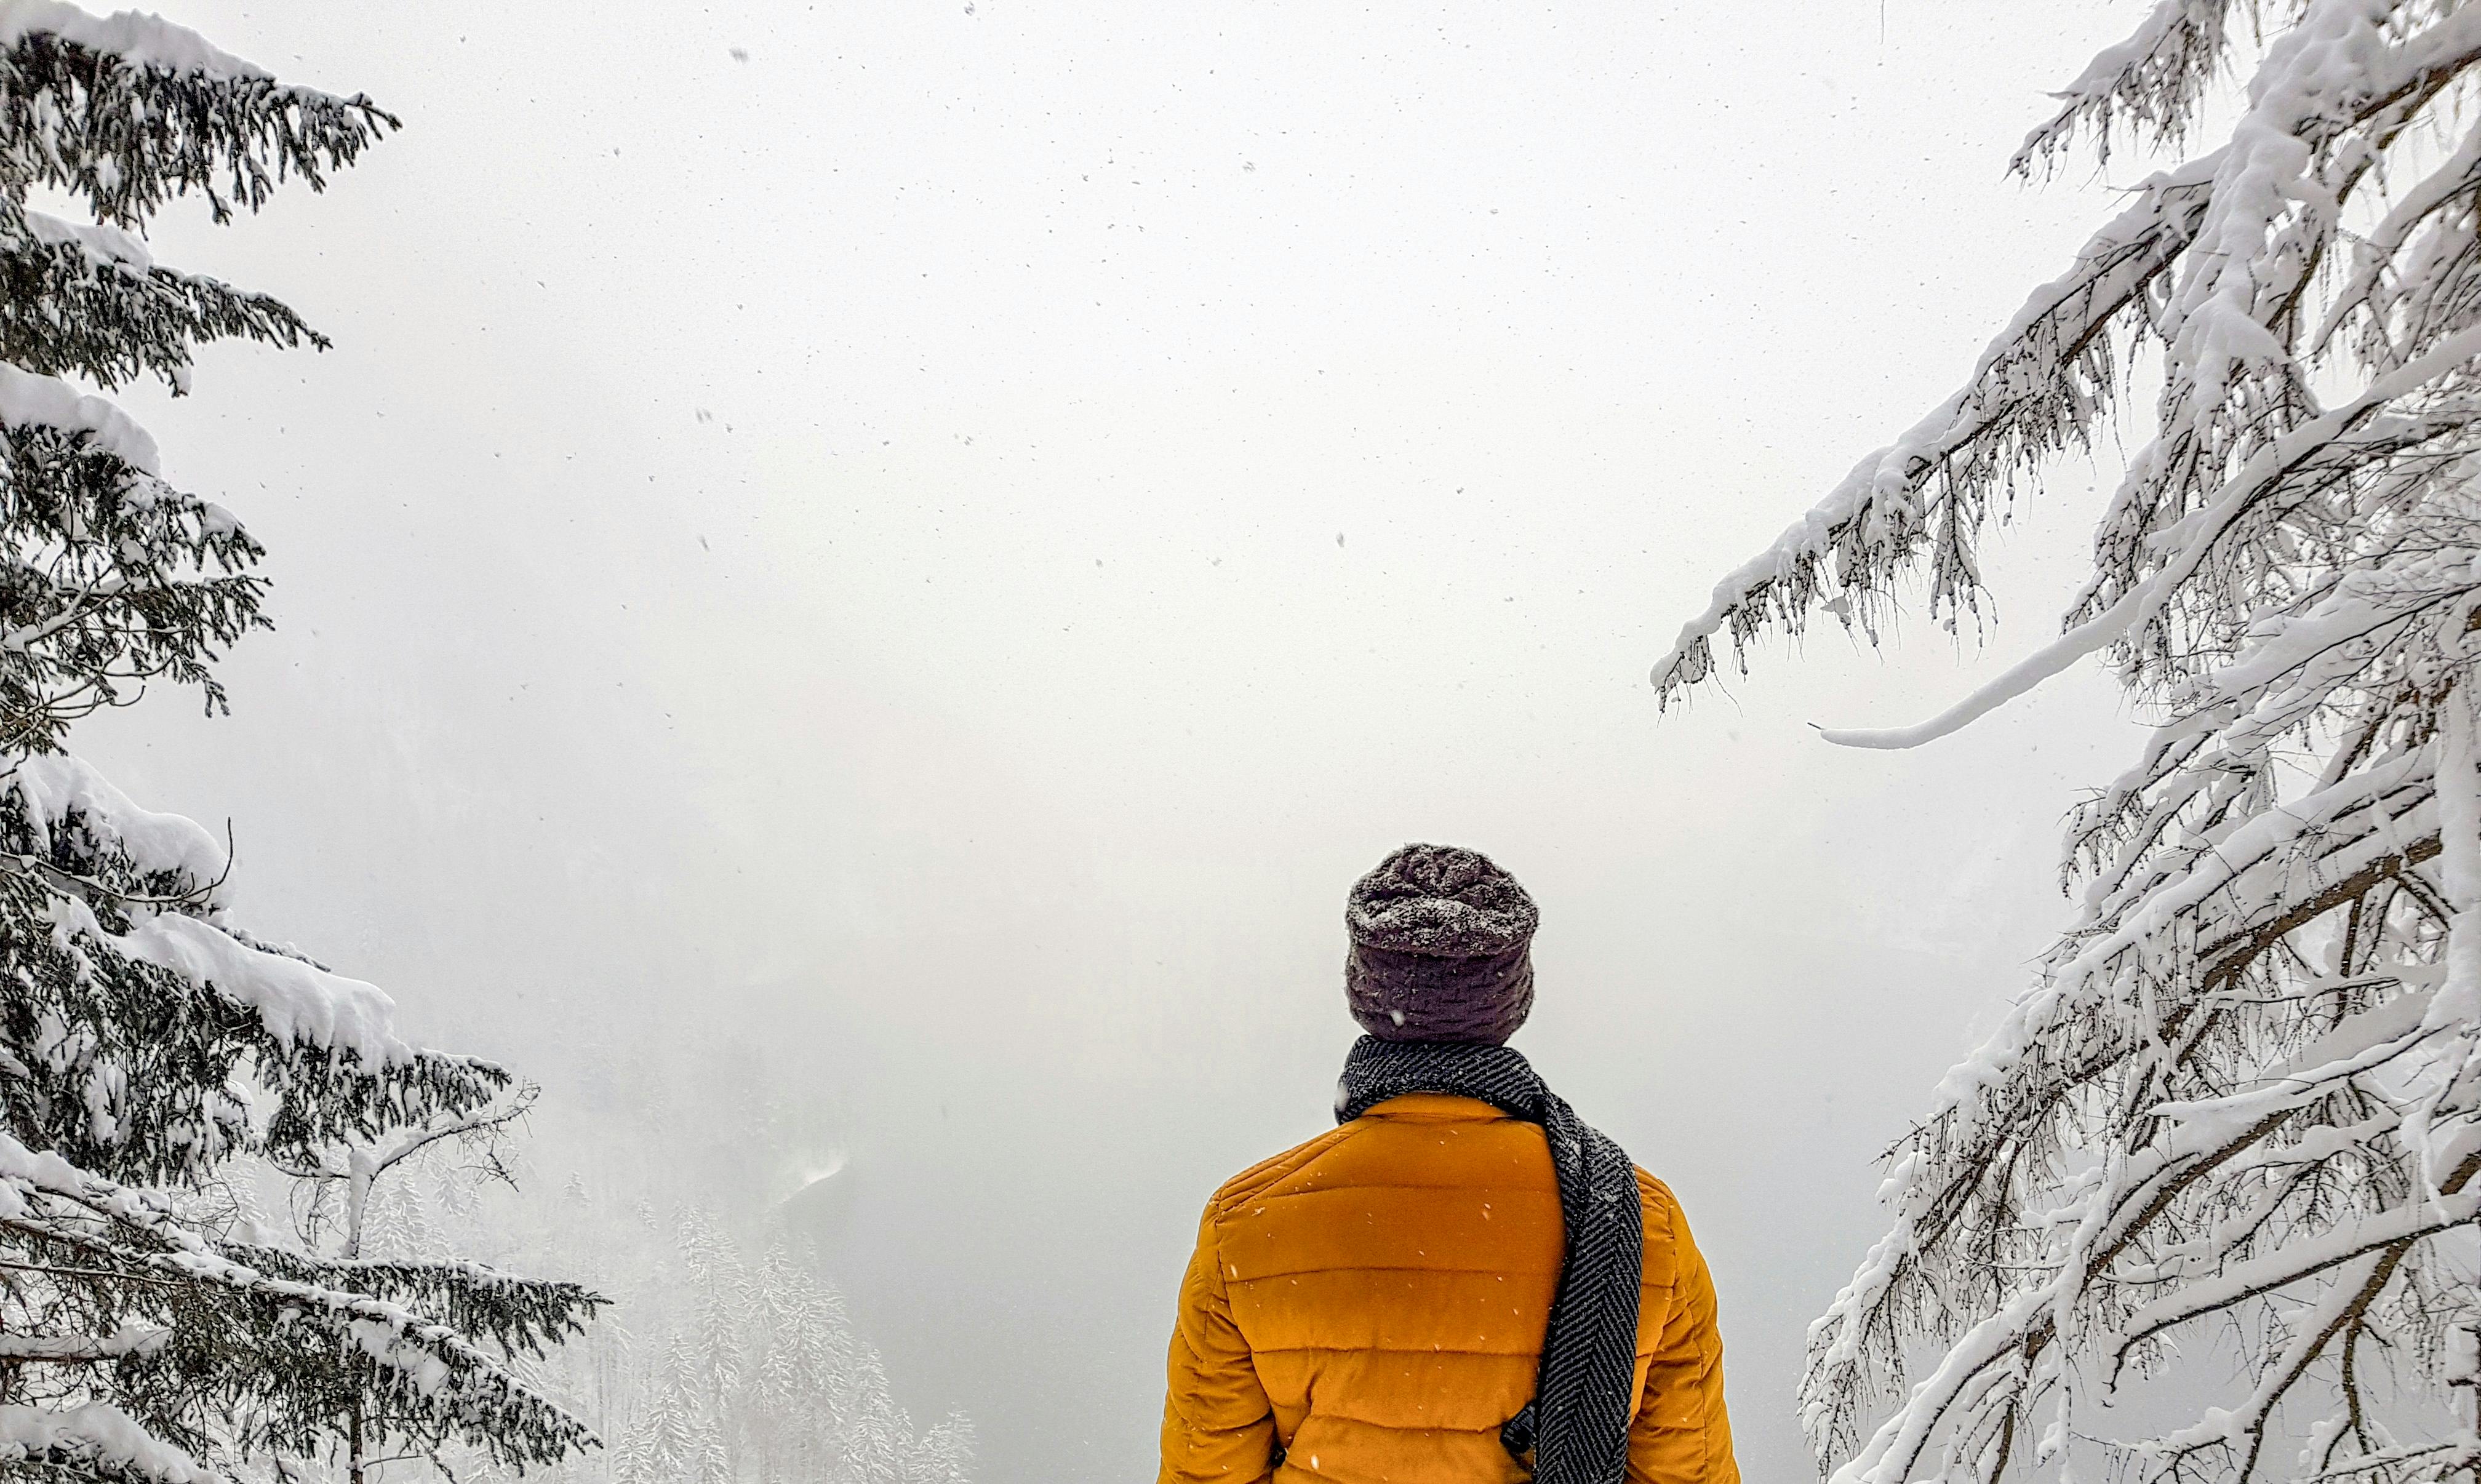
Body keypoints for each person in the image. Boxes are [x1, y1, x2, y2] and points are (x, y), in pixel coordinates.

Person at [1157, 844, 1738, 1484]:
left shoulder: (1246, 1222)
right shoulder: (1634, 1217)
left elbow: (1204, 1475)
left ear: (1362, 992)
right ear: (1514, 1002)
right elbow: (1690, 1474)